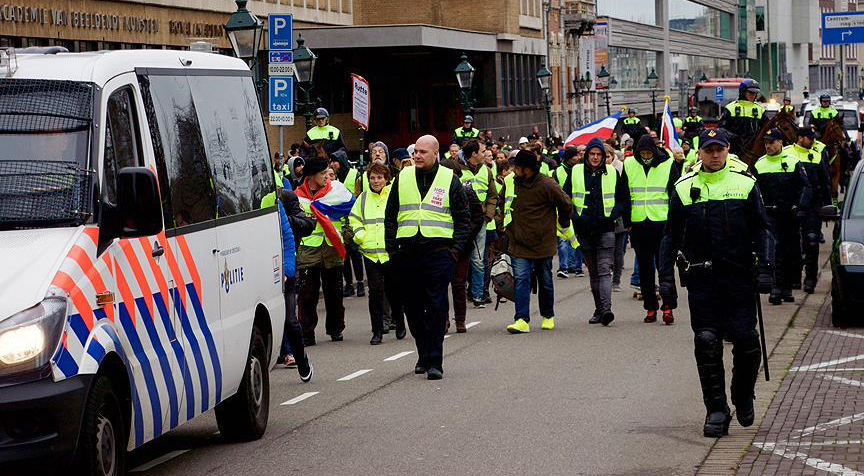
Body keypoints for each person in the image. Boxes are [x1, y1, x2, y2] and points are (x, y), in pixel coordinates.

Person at [658, 127, 774, 438]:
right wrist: (665, 280)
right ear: (699, 153)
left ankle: (742, 394)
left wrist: (766, 267)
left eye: (718, 149)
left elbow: (763, 229)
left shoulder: (745, 184)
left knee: (747, 341)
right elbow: (669, 237)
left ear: (727, 150)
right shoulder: (684, 188)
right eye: (708, 149)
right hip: (702, 278)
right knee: (707, 341)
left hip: (738, 277)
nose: (713, 155)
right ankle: (716, 409)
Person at [384, 135, 472, 380]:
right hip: (408, 253)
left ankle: (435, 361)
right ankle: (422, 353)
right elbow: (390, 217)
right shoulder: (402, 178)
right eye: (416, 152)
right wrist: (392, 251)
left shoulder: (450, 180)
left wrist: (454, 251)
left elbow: (463, 219)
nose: (417, 156)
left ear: (436, 153)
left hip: (438, 253)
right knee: (412, 307)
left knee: (435, 306)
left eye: (423, 152)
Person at [504, 150, 574, 334]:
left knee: (545, 281)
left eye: (517, 167)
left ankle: (548, 315)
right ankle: (521, 320)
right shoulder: (511, 181)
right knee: (521, 280)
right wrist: (500, 222)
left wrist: (563, 222)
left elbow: (566, 204)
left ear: (527, 169)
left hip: (543, 242)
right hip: (518, 241)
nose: (514, 170)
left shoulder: (547, 183)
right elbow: (501, 202)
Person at [565, 138, 629, 326]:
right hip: (584, 228)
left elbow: (622, 198)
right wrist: (575, 217)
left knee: (604, 270)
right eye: (592, 154)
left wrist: (613, 216)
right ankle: (599, 309)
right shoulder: (576, 171)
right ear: (586, 155)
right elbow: (566, 196)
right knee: (593, 272)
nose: (595, 157)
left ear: (603, 156)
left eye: (598, 154)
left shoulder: (613, 172)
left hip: (606, 228)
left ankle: (606, 309)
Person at [295, 155, 354, 345]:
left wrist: (346, 235)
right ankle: (307, 332)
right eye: (322, 174)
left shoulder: (337, 191)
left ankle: (336, 329)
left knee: (334, 293)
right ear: (311, 176)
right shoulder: (296, 196)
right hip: (308, 250)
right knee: (307, 296)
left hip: (332, 247)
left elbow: (350, 213)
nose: (326, 177)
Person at [622, 134, 680, 324]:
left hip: (662, 223)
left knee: (665, 268)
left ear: (655, 151)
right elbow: (623, 194)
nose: (646, 156)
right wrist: (628, 222)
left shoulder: (668, 164)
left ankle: (668, 306)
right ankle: (650, 307)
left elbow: (675, 195)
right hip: (639, 224)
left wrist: (674, 222)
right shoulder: (630, 165)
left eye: (649, 153)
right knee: (646, 270)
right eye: (643, 153)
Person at [349, 164, 406, 344]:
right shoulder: (363, 198)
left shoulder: (393, 195)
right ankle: (377, 330)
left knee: (394, 290)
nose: (375, 181)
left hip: (390, 253)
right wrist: (361, 236)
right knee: (375, 293)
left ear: (386, 178)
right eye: (372, 178)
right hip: (370, 253)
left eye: (379, 177)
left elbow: (402, 218)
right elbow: (354, 218)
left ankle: (400, 322)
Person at [753, 129, 811, 305]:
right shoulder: (759, 164)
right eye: (766, 143)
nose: (768, 146)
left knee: (790, 251)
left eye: (771, 142)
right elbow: (754, 192)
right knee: (774, 250)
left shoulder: (793, 162)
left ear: (780, 142)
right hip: (769, 215)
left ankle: (787, 287)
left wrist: (800, 206)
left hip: (789, 215)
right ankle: (775, 287)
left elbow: (805, 187)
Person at [783, 127, 831, 293]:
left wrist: (828, 205)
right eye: (810, 138)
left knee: (811, 240)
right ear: (800, 138)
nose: (813, 142)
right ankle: (795, 278)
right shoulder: (786, 153)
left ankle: (810, 278)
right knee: (792, 242)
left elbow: (825, 182)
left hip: (813, 205)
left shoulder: (817, 155)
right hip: (792, 204)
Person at [441, 159, 486, 332]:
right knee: (441, 284)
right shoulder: (439, 192)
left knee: (459, 283)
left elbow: (477, 217)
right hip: (443, 244)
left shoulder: (467, 191)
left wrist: (465, 236)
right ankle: (443, 320)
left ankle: (460, 320)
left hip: (463, 246)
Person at [276, 188, 315, 382]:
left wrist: (287, 271)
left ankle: (302, 361)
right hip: (258, 270)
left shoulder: (277, 201)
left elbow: (289, 238)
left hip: (283, 271)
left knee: (290, 320)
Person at [460, 139, 498, 308]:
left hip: (480, 221)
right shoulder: (456, 170)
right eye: (482, 151)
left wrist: (488, 216)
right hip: (460, 222)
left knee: (478, 259)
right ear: (474, 154)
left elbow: (492, 195)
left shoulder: (487, 171)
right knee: (460, 260)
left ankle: (478, 295)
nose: (485, 154)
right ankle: (463, 293)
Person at [717, 79, 767, 156]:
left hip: (754, 150)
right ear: (743, 91)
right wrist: (735, 137)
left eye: (755, 93)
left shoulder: (760, 109)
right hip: (734, 149)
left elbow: (766, 129)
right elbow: (721, 129)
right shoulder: (731, 108)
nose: (753, 95)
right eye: (750, 92)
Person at [554, 146, 580, 279]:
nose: (578, 157)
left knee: (575, 238)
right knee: (564, 239)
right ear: (570, 157)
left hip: (577, 208)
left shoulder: (579, 169)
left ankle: (575, 266)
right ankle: (563, 267)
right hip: (562, 210)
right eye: (575, 155)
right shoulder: (557, 171)